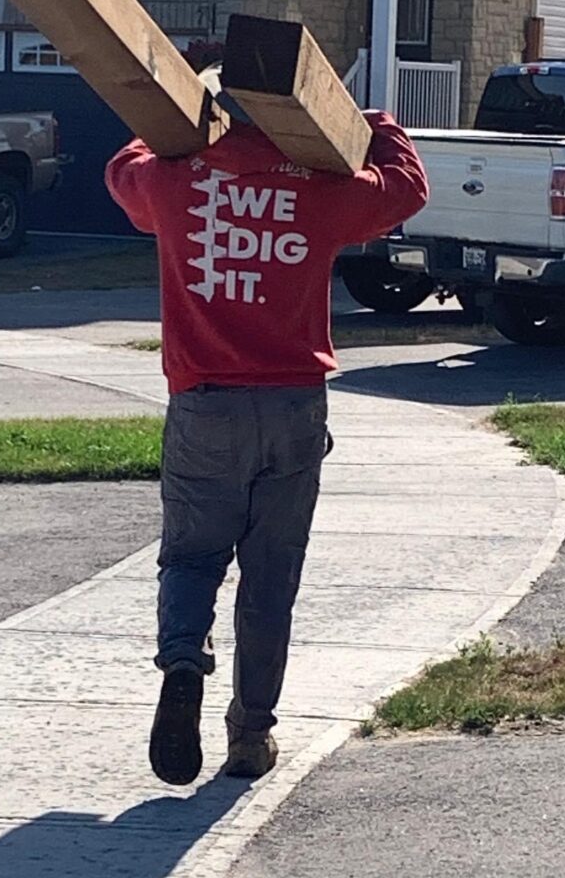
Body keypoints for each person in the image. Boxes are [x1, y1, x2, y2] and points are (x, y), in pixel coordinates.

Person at [105, 82, 429, 786]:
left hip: (204, 404)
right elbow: (406, 187)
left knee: (192, 557)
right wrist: (369, 121)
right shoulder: (319, 189)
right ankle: (251, 736)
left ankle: (183, 660)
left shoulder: (173, 181)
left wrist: (167, 121)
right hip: (293, 405)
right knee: (270, 578)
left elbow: (121, 171)